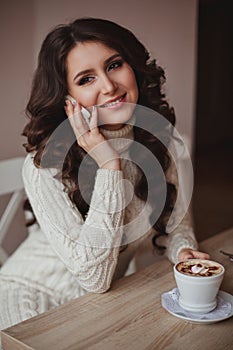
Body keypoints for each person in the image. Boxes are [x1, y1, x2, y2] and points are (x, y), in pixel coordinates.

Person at [0, 17, 209, 333]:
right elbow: (94, 277)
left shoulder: (159, 141)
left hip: (103, 305)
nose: (109, 86)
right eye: (86, 79)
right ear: (67, 100)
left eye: (114, 65)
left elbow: (176, 224)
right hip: (30, 298)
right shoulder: (45, 165)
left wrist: (182, 249)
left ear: (133, 68)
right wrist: (109, 166)